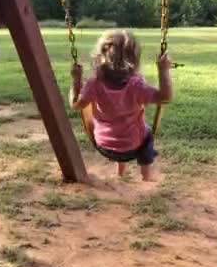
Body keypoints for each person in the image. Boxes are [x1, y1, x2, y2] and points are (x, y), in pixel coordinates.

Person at [70, 30, 173, 182]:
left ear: (100, 57)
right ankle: (146, 174)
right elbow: (165, 97)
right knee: (147, 132)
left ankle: (120, 172)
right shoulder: (136, 85)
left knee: (120, 129)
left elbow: (76, 104)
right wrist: (163, 70)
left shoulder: (93, 84)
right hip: (133, 147)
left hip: (104, 145)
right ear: (134, 59)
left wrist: (76, 80)